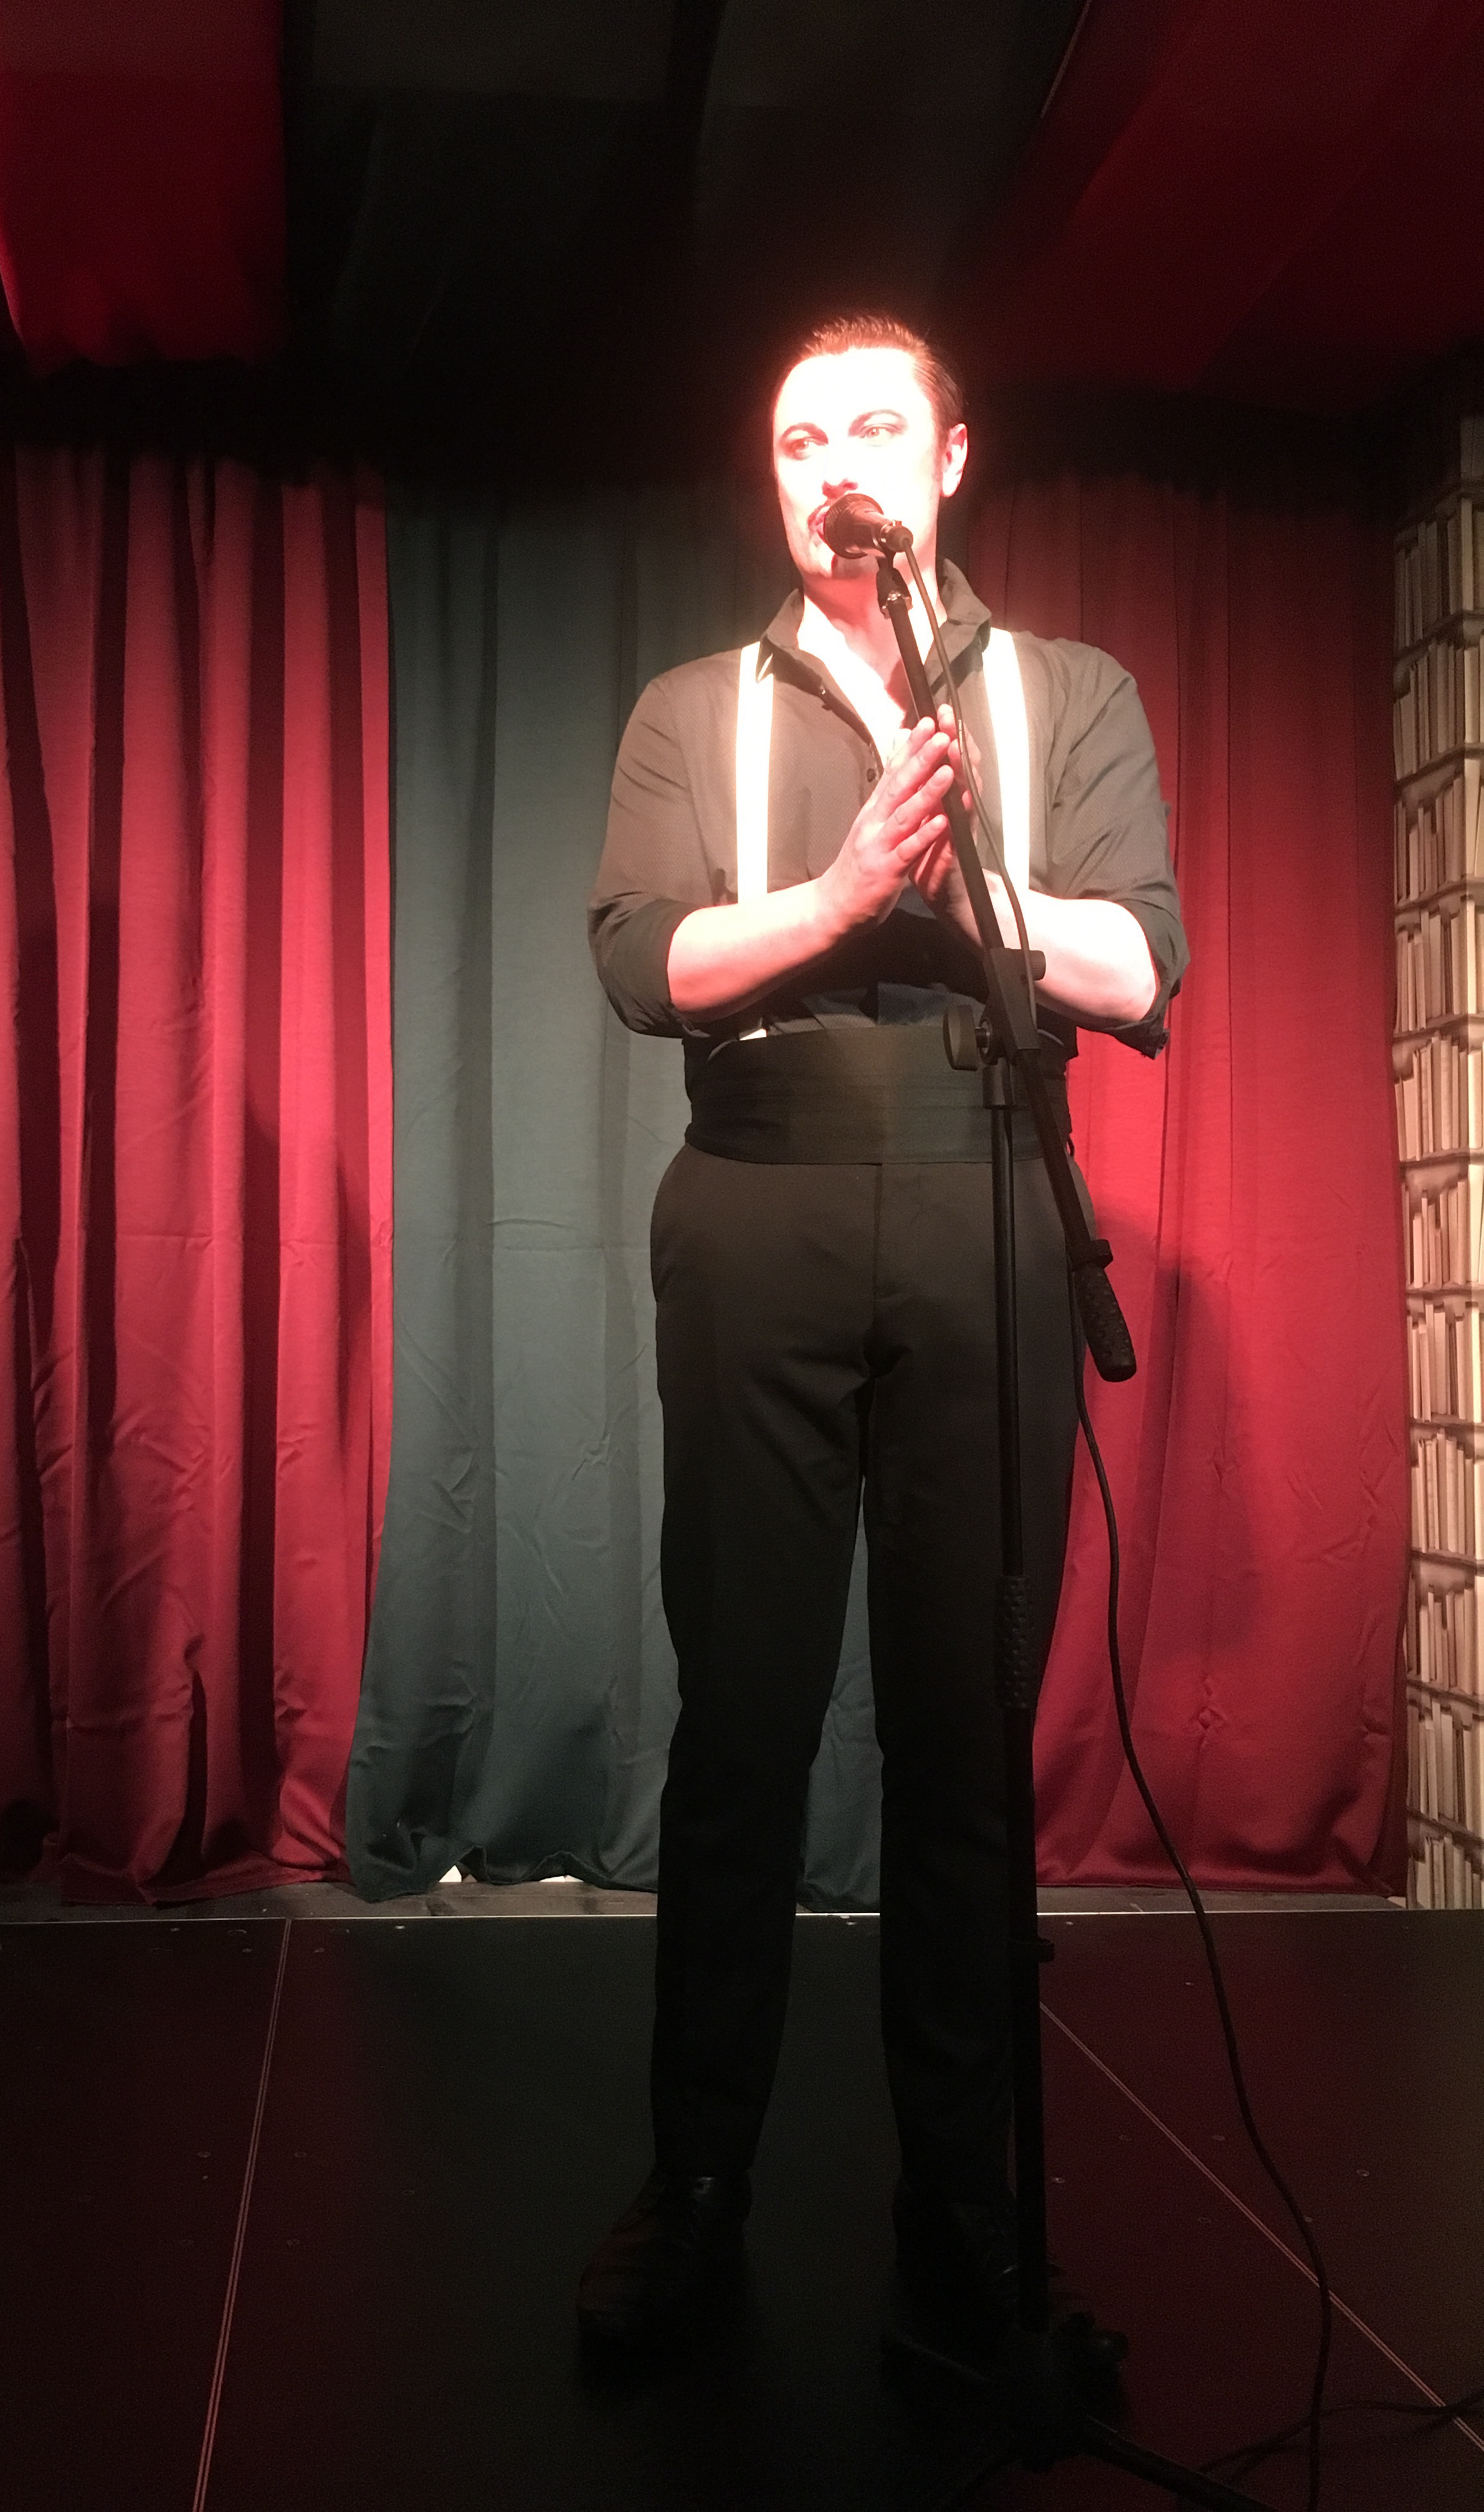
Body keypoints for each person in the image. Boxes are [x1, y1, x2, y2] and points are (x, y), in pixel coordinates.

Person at [576, 313, 1187, 2357]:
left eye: (867, 426)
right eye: (793, 436)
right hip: (756, 1201)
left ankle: (965, 2213)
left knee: (962, 1747)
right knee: (742, 1728)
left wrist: (974, 901)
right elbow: (646, 961)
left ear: (948, 459)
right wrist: (846, 896)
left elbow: (1139, 958)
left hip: (988, 1197)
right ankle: (700, 2190)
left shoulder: (1066, 690)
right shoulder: (693, 706)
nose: (829, 460)